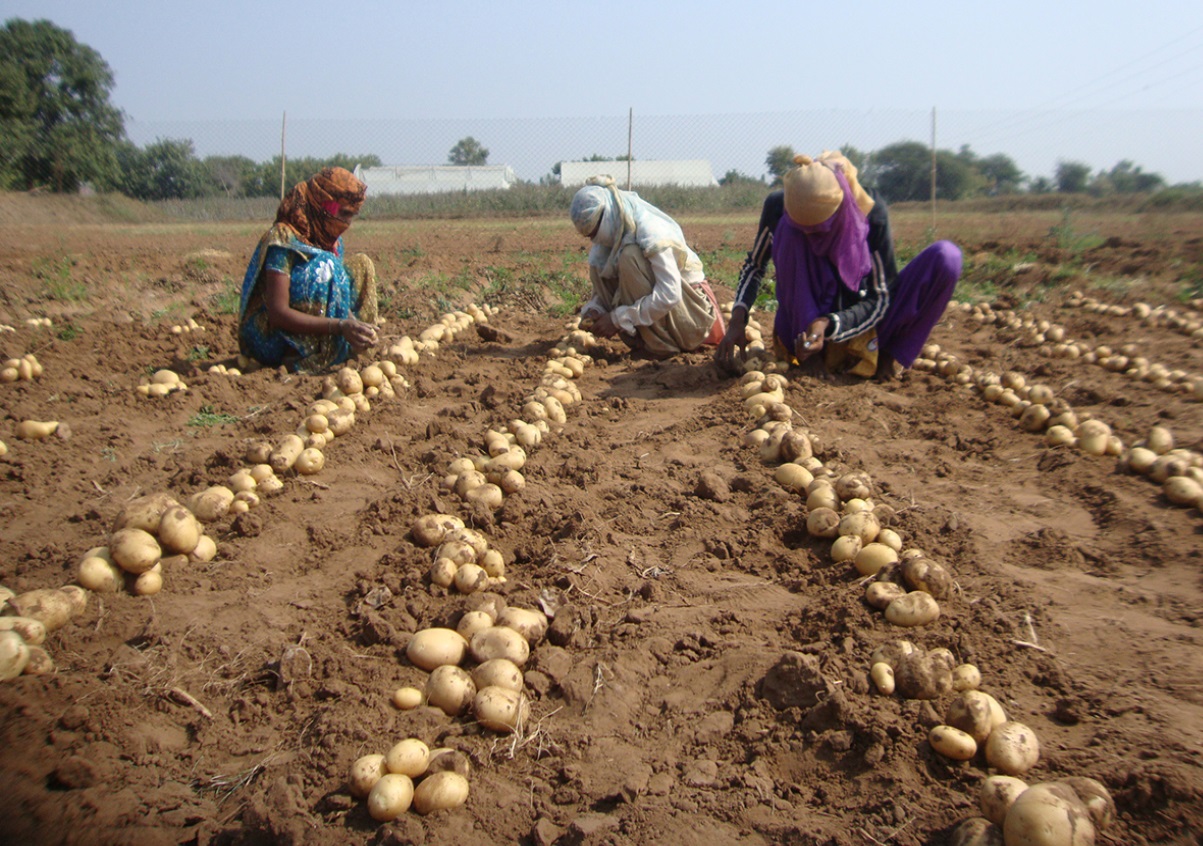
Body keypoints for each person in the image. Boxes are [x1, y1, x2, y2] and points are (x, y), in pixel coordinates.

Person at [715, 151, 962, 380]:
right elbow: (755, 266)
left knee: (946, 257)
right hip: (801, 331)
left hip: (861, 324)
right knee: (789, 235)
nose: (813, 236)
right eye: (805, 229)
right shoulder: (781, 208)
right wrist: (738, 319)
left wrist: (830, 323)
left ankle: (883, 355)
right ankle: (811, 356)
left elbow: (881, 297)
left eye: (820, 230)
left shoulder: (870, 212)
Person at [238, 167, 379, 372]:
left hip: (327, 328)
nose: (347, 223)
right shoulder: (283, 238)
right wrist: (339, 326)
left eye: (352, 216)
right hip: (271, 337)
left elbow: (336, 293)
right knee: (325, 265)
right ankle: (300, 357)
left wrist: (352, 324)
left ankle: (348, 346)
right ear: (324, 205)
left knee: (361, 264)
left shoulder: (333, 242)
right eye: (344, 213)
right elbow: (278, 313)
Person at [569, 175, 725, 358]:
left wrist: (617, 319)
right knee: (597, 263)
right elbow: (604, 292)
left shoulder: (651, 229)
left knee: (630, 257)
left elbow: (670, 294)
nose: (595, 239)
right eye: (589, 236)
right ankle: (648, 341)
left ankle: (662, 346)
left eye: (595, 232)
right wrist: (596, 310)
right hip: (667, 314)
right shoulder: (612, 235)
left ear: (608, 215)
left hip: (692, 317)